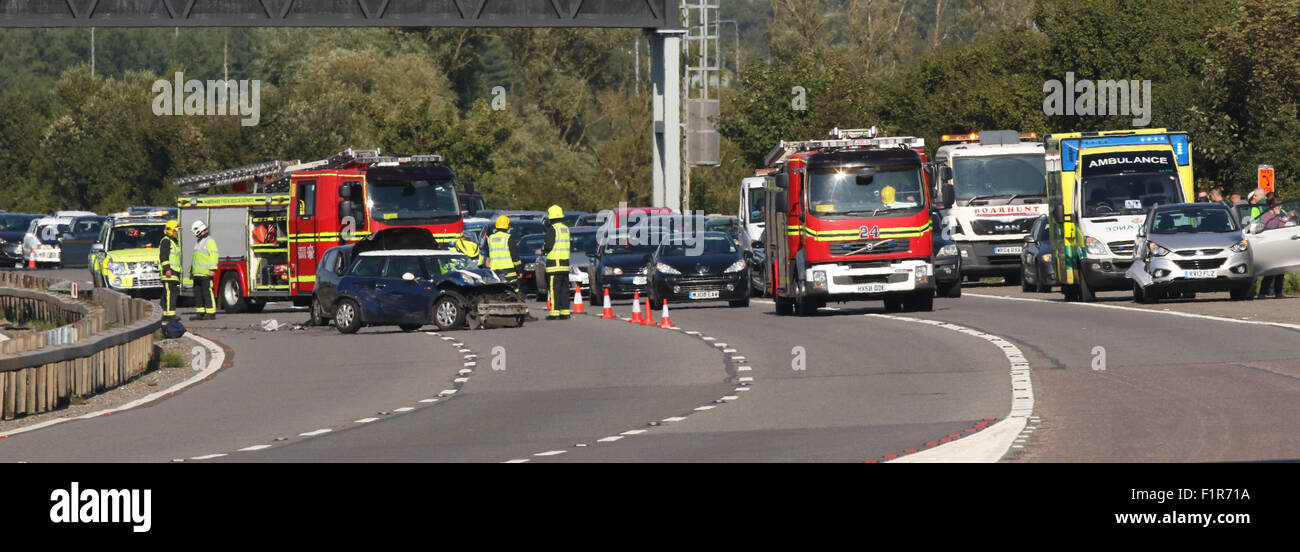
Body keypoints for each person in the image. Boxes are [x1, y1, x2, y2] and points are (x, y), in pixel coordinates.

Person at [540, 204, 571, 320]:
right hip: (565, 265)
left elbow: (548, 245)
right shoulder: (565, 229)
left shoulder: (552, 229)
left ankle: (555, 313)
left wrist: (543, 249)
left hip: (554, 265)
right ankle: (565, 312)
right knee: (564, 290)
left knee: (554, 290)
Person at [190, 220, 219, 320]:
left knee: (207, 293)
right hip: (197, 273)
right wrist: (192, 271)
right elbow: (196, 258)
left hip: (206, 273)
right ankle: (200, 312)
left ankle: (211, 312)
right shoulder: (199, 241)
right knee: (198, 293)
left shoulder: (210, 241)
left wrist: (212, 269)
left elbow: (214, 256)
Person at [158, 220, 182, 321]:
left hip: (173, 272)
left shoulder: (173, 242)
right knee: (171, 293)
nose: (177, 232)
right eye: (175, 230)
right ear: (169, 231)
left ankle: (164, 313)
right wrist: (167, 269)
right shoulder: (166, 241)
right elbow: (163, 256)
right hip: (169, 272)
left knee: (167, 293)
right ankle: (170, 315)